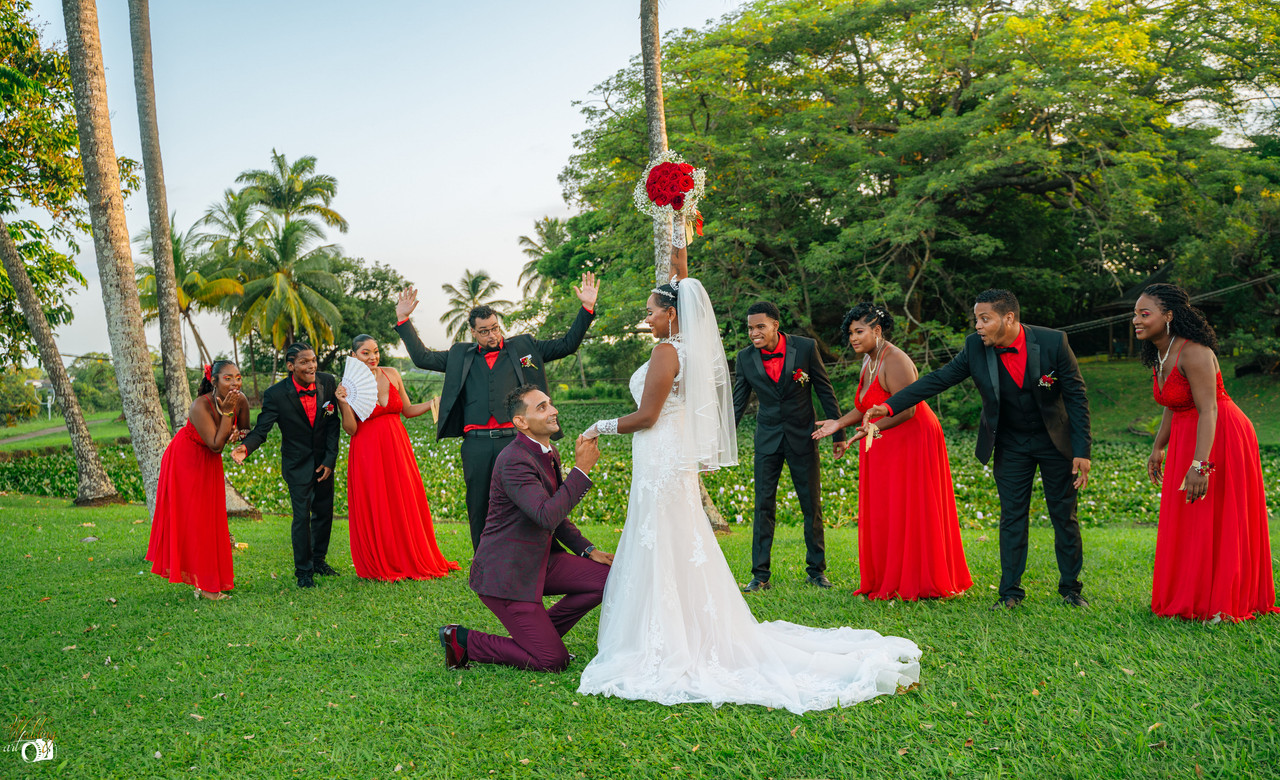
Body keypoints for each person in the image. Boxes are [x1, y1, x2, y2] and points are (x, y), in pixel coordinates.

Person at [576, 226, 920, 714]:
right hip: (676, 454)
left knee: (669, 532)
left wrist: (599, 424)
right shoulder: (693, 349)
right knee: (677, 533)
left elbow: (648, 415)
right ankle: (699, 611)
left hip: (664, 449)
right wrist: (678, 235)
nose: (646, 316)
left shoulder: (667, 350)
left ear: (670, 313)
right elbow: (687, 295)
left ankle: (672, 632)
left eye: (651, 309)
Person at [863, 289, 1092, 610]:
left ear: (1008, 318)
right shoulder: (975, 347)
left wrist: (1082, 449)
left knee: (1064, 516)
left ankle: (1071, 588)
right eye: (976, 319)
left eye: (985, 319)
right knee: (1012, 517)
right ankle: (1010, 592)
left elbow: (1076, 396)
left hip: (1055, 442)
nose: (978, 326)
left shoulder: (1054, 342)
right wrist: (888, 407)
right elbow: (937, 380)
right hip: (1010, 443)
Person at [393, 274, 600, 550]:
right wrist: (403, 321)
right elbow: (422, 357)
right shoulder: (459, 354)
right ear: (473, 333)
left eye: (495, 328)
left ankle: (529, 554)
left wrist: (586, 309)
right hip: (476, 444)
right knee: (478, 505)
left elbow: (567, 345)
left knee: (527, 502)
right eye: (485, 331)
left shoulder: (525, 347)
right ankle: (483, 560)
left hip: (515, 441)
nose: (492, 334)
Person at [438, 385, 613, 672]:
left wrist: (588, 550)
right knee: (551, 661)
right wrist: (580, 472)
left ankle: (537, 637)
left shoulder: (549, 451)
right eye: (541, 407)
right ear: (520, 422)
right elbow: (546, 515)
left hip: (540, 562)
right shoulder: (513, 460)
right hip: (507, 575)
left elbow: (554, 514)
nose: (553, 410)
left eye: (550, 404)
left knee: (607, 579)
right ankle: (461, 639)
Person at [1134, 283, 1276, 622]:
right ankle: (1190, 596)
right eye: (1135, 314)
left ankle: (1222, 600)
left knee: (1213, 514)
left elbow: (1208, 409)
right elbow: (1172, 402)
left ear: (1168, 316)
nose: (1136, 320)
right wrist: (1158, 447)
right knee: (1188, 517)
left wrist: (1201, 464)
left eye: (1144, 314)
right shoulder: (1160, 353)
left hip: (1220, 435)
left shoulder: (1194, 352)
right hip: (1187, 434)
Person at [813, 304, 971, 600]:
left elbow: (908, 408)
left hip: (911, 437)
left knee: (910, 506)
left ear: (877, 331)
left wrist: (869, 429)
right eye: (850, 333)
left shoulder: (895, 360)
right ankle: (889, 575)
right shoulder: (868, 359)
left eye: (859, 332)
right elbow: (863, 406)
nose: (853, 339)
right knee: (888, 508)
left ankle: (920, 580)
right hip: (883, 438)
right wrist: (839, 424)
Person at [732, 300, 844, 591]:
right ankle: (760, 575)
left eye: (760, 327)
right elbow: (737, 404)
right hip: (767, 439)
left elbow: (824, 388)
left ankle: (816, 571)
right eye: (750, 328)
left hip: (803, 437)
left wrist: (838, 432)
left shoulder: (805, 348)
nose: (754, 333)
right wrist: (721, 443)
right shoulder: (745, 359)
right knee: (763, 506)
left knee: (811, 505)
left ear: (775, 325)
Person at [334, 335, 460, 582]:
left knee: (403, 498)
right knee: (378, 500)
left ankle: (410, 555)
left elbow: (408, 411)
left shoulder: (392, 374)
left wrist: (435, 403)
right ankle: (384, 559)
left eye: (376, 352)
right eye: (365, 353)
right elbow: (351, 429)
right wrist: (343, 403)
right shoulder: (347, 386)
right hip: (367, 450)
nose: (372, 358)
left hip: (396, 446)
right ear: (353, 356)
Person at [232, 343, 342, 589]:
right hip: (297, 464)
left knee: (324, 512)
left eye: (313, 360)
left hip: (324, 462)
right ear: (291, 366)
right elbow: (262, 429)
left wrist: (329, 459)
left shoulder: (328, 382)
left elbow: (333, 424)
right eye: (304, 362)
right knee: (302, 516)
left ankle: (318, 560)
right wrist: (246, 447)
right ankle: (304, 571)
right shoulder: (276, 394)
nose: (311, 365)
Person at [146, 361, 249, 601]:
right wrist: (226, 413)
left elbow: (244, 428)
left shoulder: (240, 400)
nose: (235, 383)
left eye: (238, 377)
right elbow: (214, 445)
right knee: (196, 520)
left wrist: (238, 434)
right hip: (186, 460)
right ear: (214, 381)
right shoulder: (199, 406)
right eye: (228, 378)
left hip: (209, 464)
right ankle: (206, 587)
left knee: (211, 519)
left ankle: (208, 583)